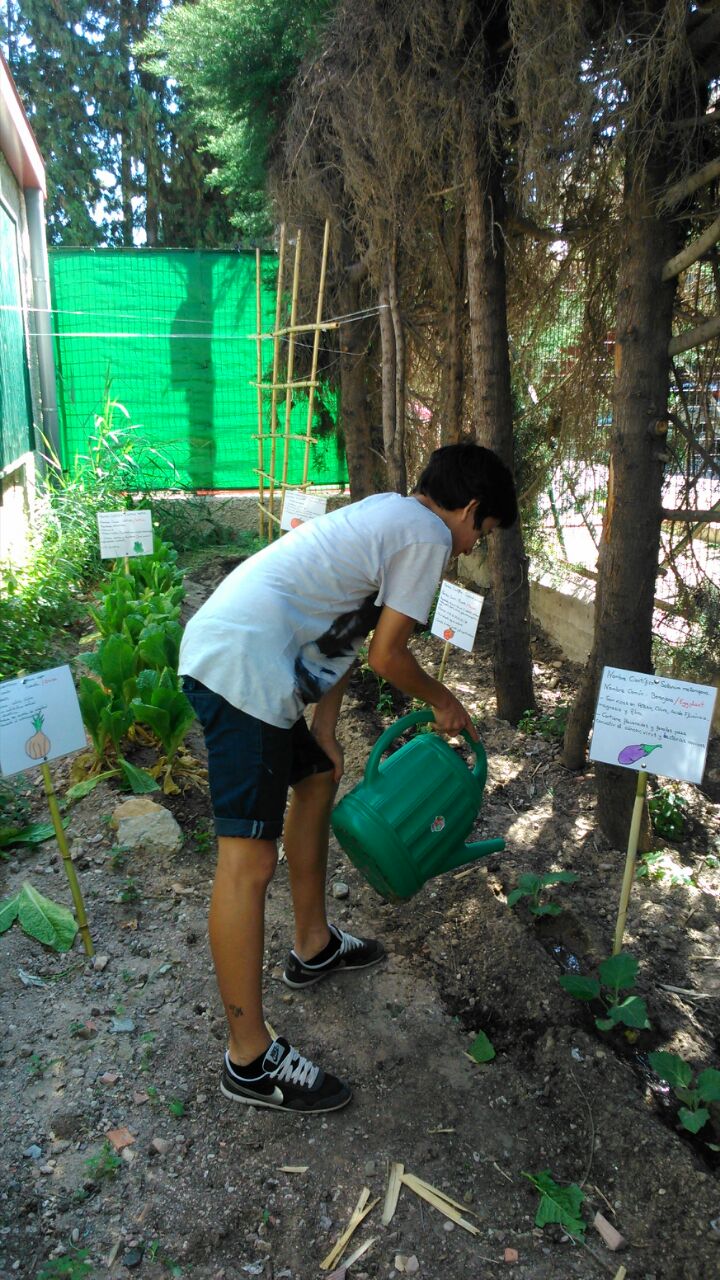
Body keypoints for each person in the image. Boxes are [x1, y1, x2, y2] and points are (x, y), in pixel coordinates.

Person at [179, 442, 518, 1114]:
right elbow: (390, 655)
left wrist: (326, 733)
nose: (473, 548)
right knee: (246, 866)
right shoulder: (425, 533)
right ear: (471, 508)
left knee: (318, 779)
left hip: (253, 658)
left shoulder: (390, 516)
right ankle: (248, 1058)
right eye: (482, 531)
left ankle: (312, 945)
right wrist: (442, 702)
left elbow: (347, 632)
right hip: (242, 670)